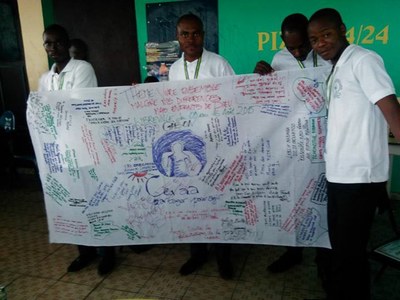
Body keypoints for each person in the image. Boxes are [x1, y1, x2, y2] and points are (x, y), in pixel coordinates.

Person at [308, 8, 400, 299]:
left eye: (326, 34)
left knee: (350, 254)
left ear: (342, 29)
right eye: (314, 39)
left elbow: (391, 108)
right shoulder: (337, 67)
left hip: (359, 178)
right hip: (339, 175)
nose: (320, 43)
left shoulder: (363, 60)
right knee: (342, 250)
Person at [254, 13, 330, 274]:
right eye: (291, 47)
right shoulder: (279, 60)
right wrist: (261, 79)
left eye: (302, 45)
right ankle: (293, 252)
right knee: (294, 199)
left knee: (323, 202)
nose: (298, 52)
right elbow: (273, 102)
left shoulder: (327, 56)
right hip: (294, 143)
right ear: (282, 42)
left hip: (327, 142)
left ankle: (324, 256)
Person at [39, 24, 115, 276]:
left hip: (85, 150)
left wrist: (55, 109)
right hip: (59, 154)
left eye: (58, 42)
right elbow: (44, 114)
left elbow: (78, 107)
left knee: (96, 203)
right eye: (48, 43)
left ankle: (107, 253)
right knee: (73, 204)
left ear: (67, 43)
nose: (53, 48)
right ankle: (85, 252)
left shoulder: (82, 68)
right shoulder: (45, 78)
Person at [168, 13, 235, 279]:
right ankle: (197, 254)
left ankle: (224, 256)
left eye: (195, 33)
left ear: (203, 35)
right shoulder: (173, 70)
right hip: (186, 149)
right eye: (185, 34)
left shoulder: (218, 64)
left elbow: (235, 101)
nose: (190, 39)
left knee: (219, 202)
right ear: (178, 37)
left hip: (217, 147)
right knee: (191, 202)